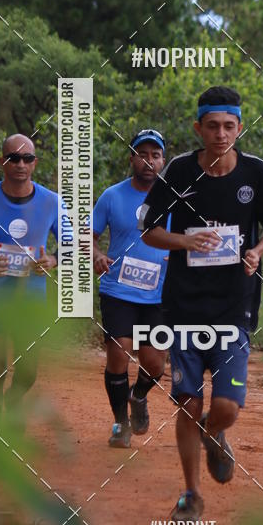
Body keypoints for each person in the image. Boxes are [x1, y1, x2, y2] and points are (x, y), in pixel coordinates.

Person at [140, 86, 263, 522]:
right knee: (188, 402)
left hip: (234, 306)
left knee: (224, 408)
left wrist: (257, 252)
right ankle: (191, 494)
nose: (221, 134)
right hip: (183, 305)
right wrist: (183, 239)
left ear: (239, 127)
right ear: (198, 127)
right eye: (213, 126)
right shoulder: (178, 172)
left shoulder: (256, 173)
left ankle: (214, 434)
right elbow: (148, 231)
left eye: (229, 126)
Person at [92, 129, 169, 449]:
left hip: (160, 293)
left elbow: (186, 237)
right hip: (118, 289)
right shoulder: (112, 195)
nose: (148, 160)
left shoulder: (174, 197)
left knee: (155, 364)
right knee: (119, 352)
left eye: (155, 155)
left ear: (163, 160)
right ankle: (120, 423)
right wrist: (97, 255)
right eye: (142, 154)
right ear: (132, 158)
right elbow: (89, 234)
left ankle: (138, 396)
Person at [0, 134, 59, 409]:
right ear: (2, 161)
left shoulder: (52, 202)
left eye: (26, 158)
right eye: (13, 158)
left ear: (34, 163)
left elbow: (74, 245)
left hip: (30, 301)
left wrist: (52, 259)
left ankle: (13, 401)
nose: (20, 164)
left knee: (27, 372)